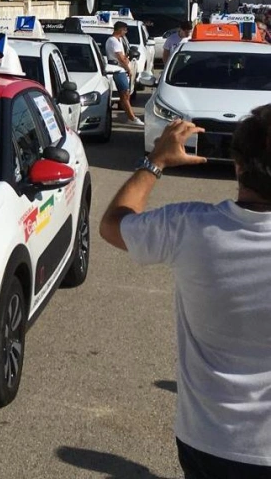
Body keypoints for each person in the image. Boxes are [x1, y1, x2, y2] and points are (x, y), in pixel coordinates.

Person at [99, 106, 271, 477]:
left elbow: (113, 224)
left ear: (238, 166)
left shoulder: (188, 226)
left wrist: (155, 161)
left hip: (211, 441)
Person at [106, 21, 143, 126]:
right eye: (124, 30)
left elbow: (124, 55)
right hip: (117, 70)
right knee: (124, 94)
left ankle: (130, 116)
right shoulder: (113, 41)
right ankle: (132, 118)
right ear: (120, 29)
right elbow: (120, 58)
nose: (125, 32)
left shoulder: (120, 40)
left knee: (126, 94)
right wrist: (128, 69)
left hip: (121, 69)